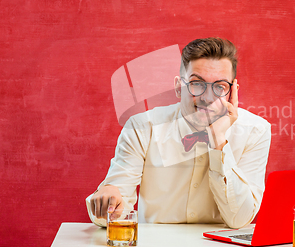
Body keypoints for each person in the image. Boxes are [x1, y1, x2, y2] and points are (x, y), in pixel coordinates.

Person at [86, 37, 272, 229]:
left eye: (220, 87)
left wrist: (218, 142)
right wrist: (108, 199)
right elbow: (113, 212)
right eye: (197, 84)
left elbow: (239, 219)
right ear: (178, 87)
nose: (208, 97)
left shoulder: (256, 131)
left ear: (233, 92)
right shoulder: (142, 127)